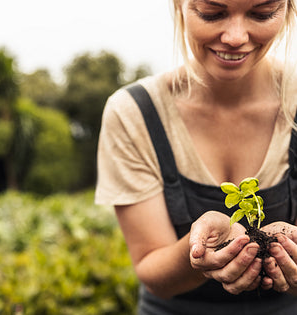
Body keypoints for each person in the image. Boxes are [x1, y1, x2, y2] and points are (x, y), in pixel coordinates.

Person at [95, 0, 297, 314]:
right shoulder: (133, 112)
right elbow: (153, 272)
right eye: (211, 13)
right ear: (179, 5)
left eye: (262, 13)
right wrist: (201, 248)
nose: (234, 36)